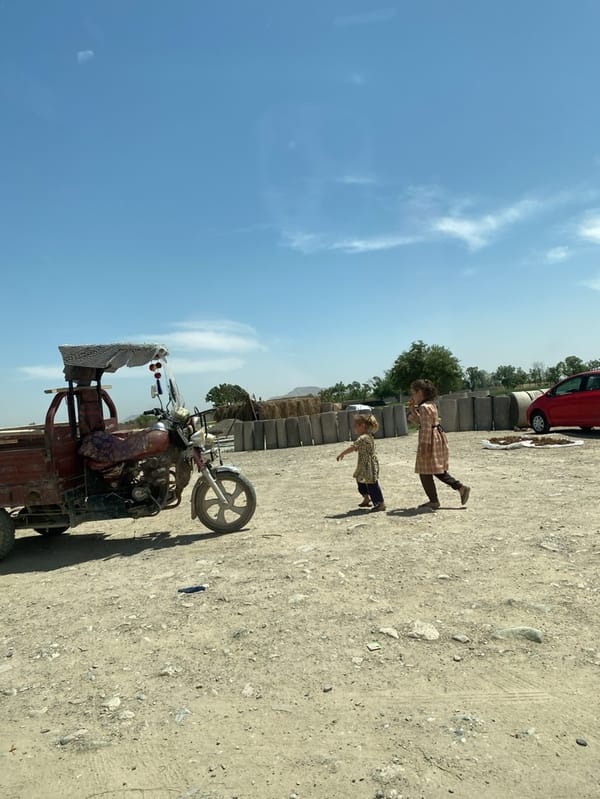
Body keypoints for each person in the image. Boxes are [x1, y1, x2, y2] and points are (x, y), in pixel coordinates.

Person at [407, 379, 470, 510]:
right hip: (437, 437)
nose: (412, 396)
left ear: (420, 392)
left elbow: (425, 427)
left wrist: (424, 446)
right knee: (434, 469)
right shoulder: (431, 405)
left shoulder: (424, 407)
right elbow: (423, 422)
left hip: (429, 438)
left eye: (413, 393)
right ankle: (456, 489)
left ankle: (452, 491)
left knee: (426, 471)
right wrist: (413, 410)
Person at [336, 413, 386, 511]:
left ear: (362, 426)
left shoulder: (364, 438)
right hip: (363, 464)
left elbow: (353, 447)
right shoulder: (367, 436)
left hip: (368, 465)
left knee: (372, 483)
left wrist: (342, 453)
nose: (354, 428)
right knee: (360, 479)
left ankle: (380, 503)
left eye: (355, 426)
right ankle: (366, 498)